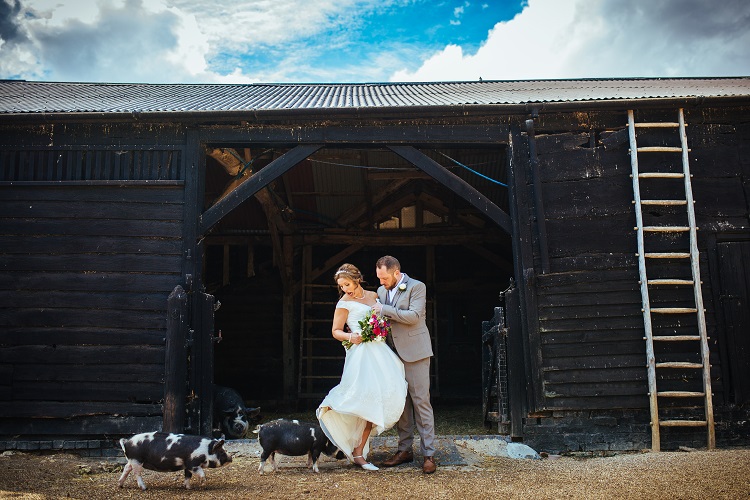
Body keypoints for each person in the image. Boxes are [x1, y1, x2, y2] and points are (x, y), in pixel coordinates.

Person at [316, 263, 408, 471]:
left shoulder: (375, 296)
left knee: (377, 398)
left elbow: (384, 317)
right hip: (360, 354)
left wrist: (381, 328)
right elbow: (336, 331)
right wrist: (351, 336)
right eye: (341, 286)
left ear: (357, 279)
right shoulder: (344, 303)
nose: (345, 289)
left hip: (379, 351)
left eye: (347, 284)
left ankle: (358, 451)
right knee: (362, 395)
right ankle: (332, 409)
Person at [372, 255, 437, 474]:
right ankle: (404, 450)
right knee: (401, 404)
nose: (381, 282)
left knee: (421, 403)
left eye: (384, 278)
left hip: (416, 352)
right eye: (379, 278)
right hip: (392, 354)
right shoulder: (381, 292)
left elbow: (414, 316)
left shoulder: (417, 287)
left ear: (396, 273)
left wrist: (384, 310)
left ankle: (429, 454)